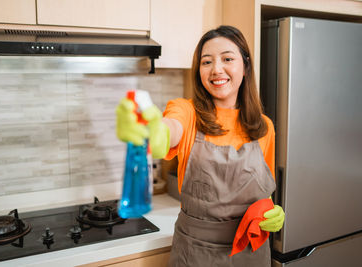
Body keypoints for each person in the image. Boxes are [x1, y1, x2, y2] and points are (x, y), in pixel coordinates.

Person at [116, 25, 285, 267]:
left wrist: (271, 212)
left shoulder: (263, 127)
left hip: (251, 253)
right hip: (195, 254)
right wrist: (150, 131)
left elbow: (262, 193)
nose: (216, 69)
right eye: (207, 62)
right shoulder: (187, 112)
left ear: (245, 67)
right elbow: (168, 131)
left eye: (227, 58)